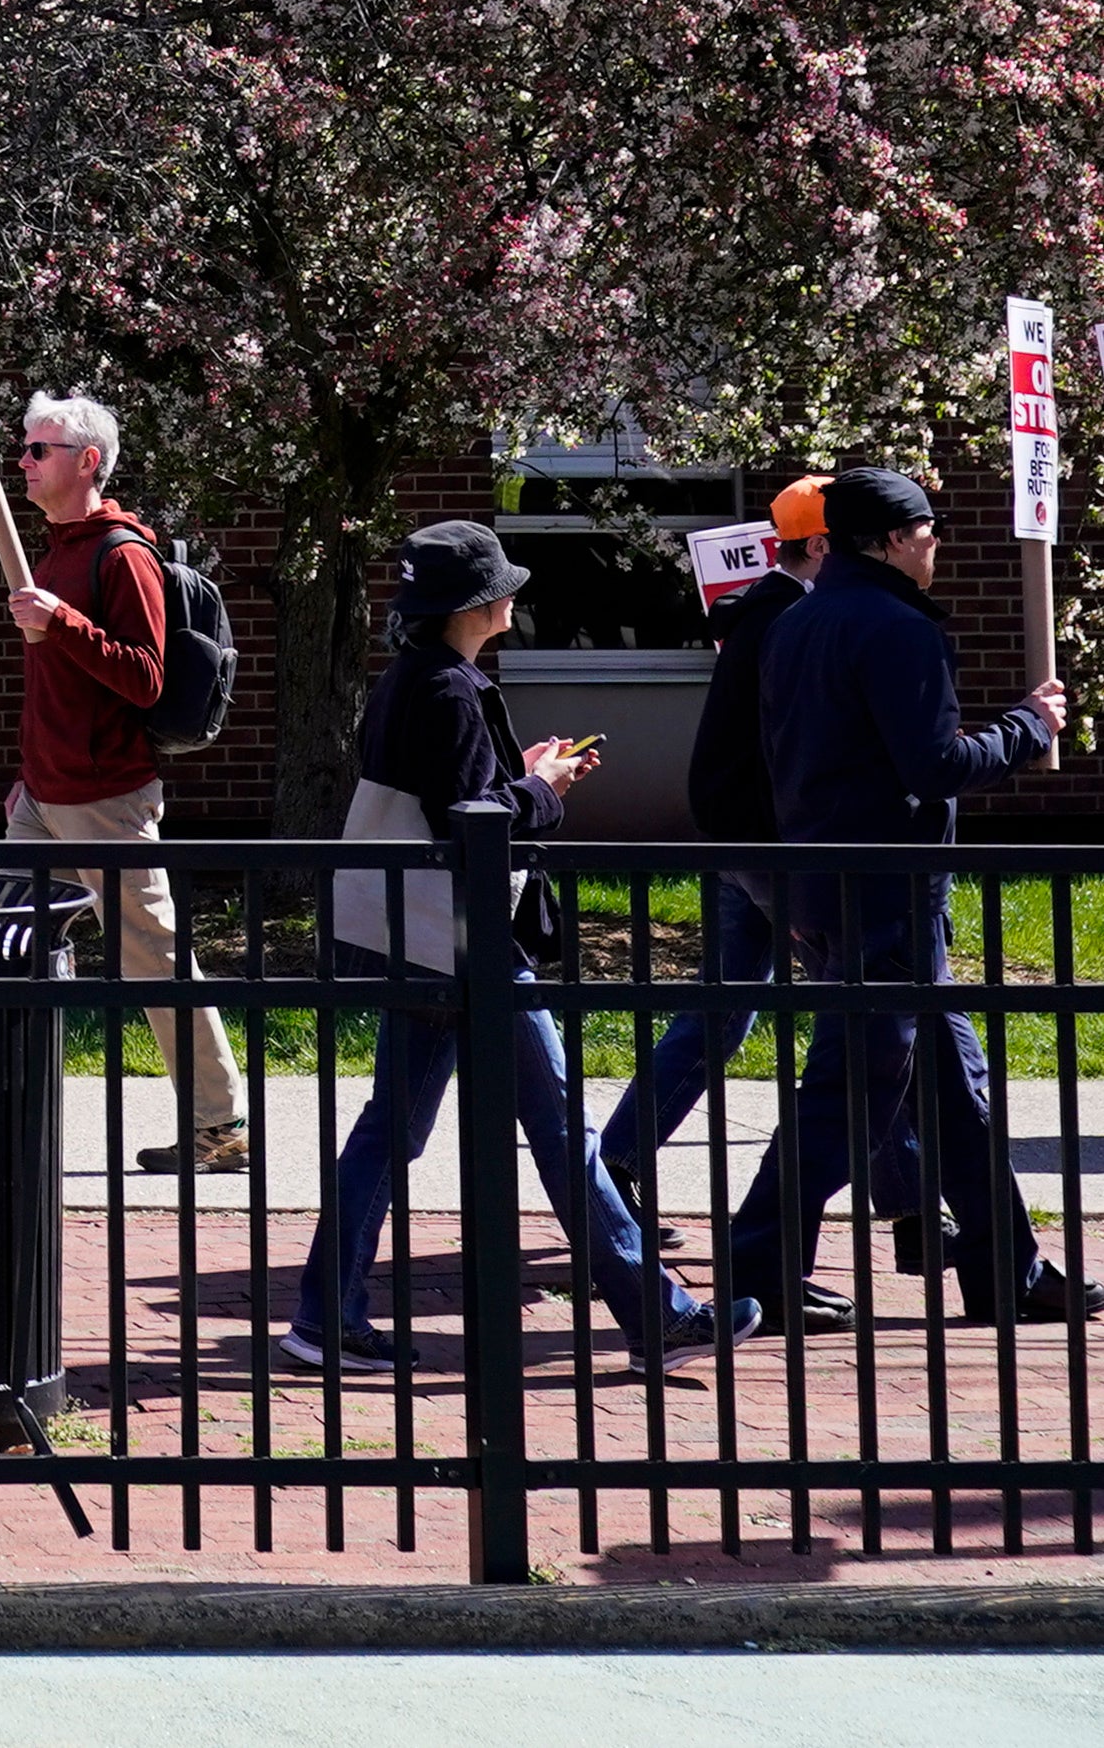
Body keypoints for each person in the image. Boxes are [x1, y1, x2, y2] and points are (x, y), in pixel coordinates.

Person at [287, 522, 738, 1370]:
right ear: (481, 605)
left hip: (423, 939)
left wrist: (517, 774)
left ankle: (326, 1314)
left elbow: (450, 794)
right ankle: (657, 1317)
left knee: (400, 1131)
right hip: (468, 943)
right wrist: (544, 787)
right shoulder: (452, 689)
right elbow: (476, 824)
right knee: (556, 1123)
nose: (514, 599)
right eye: (506, 589)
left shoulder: (409, 680)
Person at [721, 467, 1078, 1328]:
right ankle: (757, 1269)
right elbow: (936, 766)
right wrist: (1028, 727)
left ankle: (1007, 1272)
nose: (936, 544)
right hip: (889, 896)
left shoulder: (795, 624)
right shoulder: (899, 630)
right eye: (925, 529)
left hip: (822, 881)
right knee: (845, 1100)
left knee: (958, 1093)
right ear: (887, 539)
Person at [588, 483, 890, 1226]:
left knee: (733, 1011)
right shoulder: (795, 618)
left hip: (752, 841)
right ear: (820, 547)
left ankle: (617, 1164)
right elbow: (780, 755)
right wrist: (780, 875)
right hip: (777, 849)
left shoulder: (765, 612)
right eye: (853, 542)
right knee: (872, 1018)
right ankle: (914, 1204)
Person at [1, 388, 246, 1176]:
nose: (24, 462)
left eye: (39, 450)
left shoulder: (121, 554)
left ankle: (221, 1125)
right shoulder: (57, 547)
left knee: (154, 958)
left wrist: (61, 623)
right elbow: (57, 688)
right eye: (25, 448)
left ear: (87, 461)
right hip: (44, 794)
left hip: (105, 797)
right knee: (5, 942)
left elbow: (144, 679)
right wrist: (25, 778)